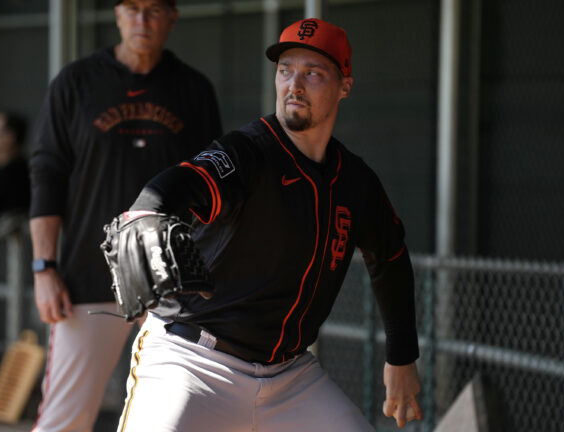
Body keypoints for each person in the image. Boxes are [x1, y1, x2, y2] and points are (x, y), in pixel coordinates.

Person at [113, 18, 423, 431]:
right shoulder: (248, 152)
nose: (294, 84)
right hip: (194, 362)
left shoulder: (356, 182)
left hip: (289, 377)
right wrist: (147, 212)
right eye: (285, 70)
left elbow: (391, 258)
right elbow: (176, 186)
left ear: (345, 85)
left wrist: (401, 357)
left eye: (312, 73)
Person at [28, 0, 222, 429]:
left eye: (154, 9)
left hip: (172, 282)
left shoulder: (192, 89)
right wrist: (45, 267)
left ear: (173, 15)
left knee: (172, 418)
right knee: (66, 417)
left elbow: (213, 188)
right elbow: (47, 175)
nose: (142, 20)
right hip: (88, 276)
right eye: (132, 8)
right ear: (116, 14)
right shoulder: (77, 82)